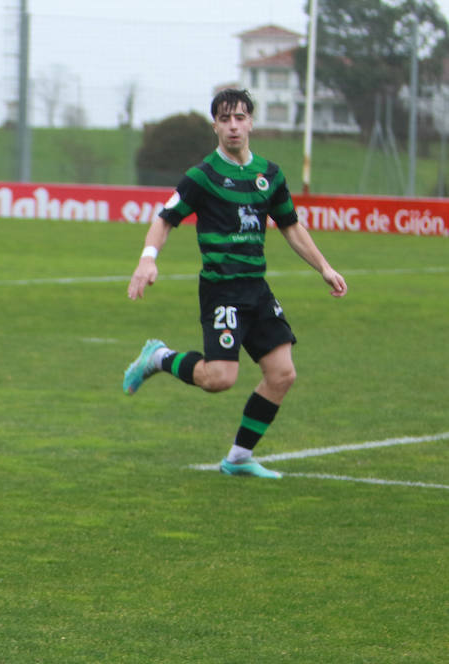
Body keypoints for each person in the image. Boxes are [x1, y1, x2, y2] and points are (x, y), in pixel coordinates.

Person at [122, 88, 348, 478]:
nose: (233, 126)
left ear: (251, 123)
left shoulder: (269, 174)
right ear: (215, 126)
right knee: (219, 379)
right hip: (222, 290)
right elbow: (165, 218)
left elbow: (290, 226)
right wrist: (147, 259)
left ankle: (238, 458)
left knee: (282, 374)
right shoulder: (202, 176)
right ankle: (158, 358)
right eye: (225, 119)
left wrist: (324, 267)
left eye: (240, 117)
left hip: (256, 289)